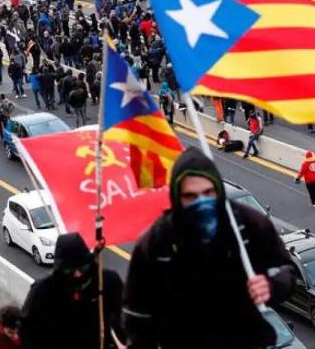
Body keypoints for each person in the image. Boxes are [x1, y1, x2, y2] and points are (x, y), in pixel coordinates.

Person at [123, 149, 296, 349]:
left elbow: (286, 270)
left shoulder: (248, 225)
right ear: (177, 197)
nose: (202, 203)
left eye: (208, 193)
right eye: (191, 196)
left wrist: (271, 285)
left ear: (218, 190)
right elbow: (137, 312)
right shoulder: (157, 242)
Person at [19, 232, 124, 349]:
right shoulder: (43, 291)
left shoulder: (107, 281)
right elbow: (27, 330)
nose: (78, 275)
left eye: (83, 267)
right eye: (70, 270)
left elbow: (124, 315)